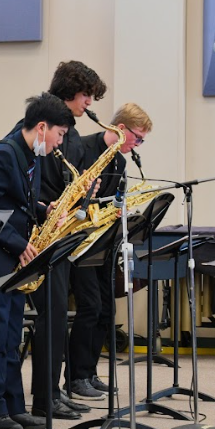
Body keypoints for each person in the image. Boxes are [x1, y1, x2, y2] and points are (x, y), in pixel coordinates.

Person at [0, 92, 74, 429]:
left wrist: (46, 212)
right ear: (42, 127)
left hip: (13, 259)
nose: (60, 143)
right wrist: (20, 243)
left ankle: (14, 406)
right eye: (59, 135)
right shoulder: (3, 154)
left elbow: (20, 202)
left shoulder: (33, 153)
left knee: (13, 334)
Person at [10, 61, 106, 419]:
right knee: (49, 319)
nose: (89, 103)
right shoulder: (42, 125)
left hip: (60, 230)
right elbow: (32, 182)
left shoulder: (71, 130)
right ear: (70, 91)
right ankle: (44, 396)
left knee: (57, 318)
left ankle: (53, 390)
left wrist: (84, 191)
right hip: (40, 235)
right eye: (86, 95)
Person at [67, 103, 152, 400]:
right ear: (120, 128)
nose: (137, 145)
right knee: (89, 307)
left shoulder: (120, 162)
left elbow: (111, 201)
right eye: (137, 138)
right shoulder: (82, 148)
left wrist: (119, 209)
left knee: (106, 309)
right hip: (78, 242)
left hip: (103, 242)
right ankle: (75, 377)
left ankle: (89, 372)